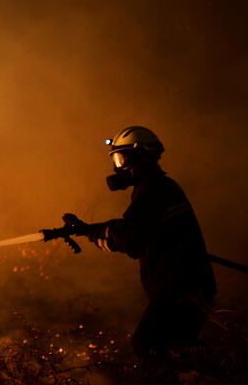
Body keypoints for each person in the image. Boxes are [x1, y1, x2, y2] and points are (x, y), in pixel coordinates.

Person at [70, 126, 216, 358]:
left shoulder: (154, 190)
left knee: (145, 346)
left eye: (122, 158)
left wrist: (89, 230)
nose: (119, 167)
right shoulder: (157, 188)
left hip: (182, 286)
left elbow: (130, 237)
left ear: (143, 157)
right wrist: (90, 230)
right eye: (116, 160)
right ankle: (210, 384)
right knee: (176, 350)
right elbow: (137, 235)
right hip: (188, 284)